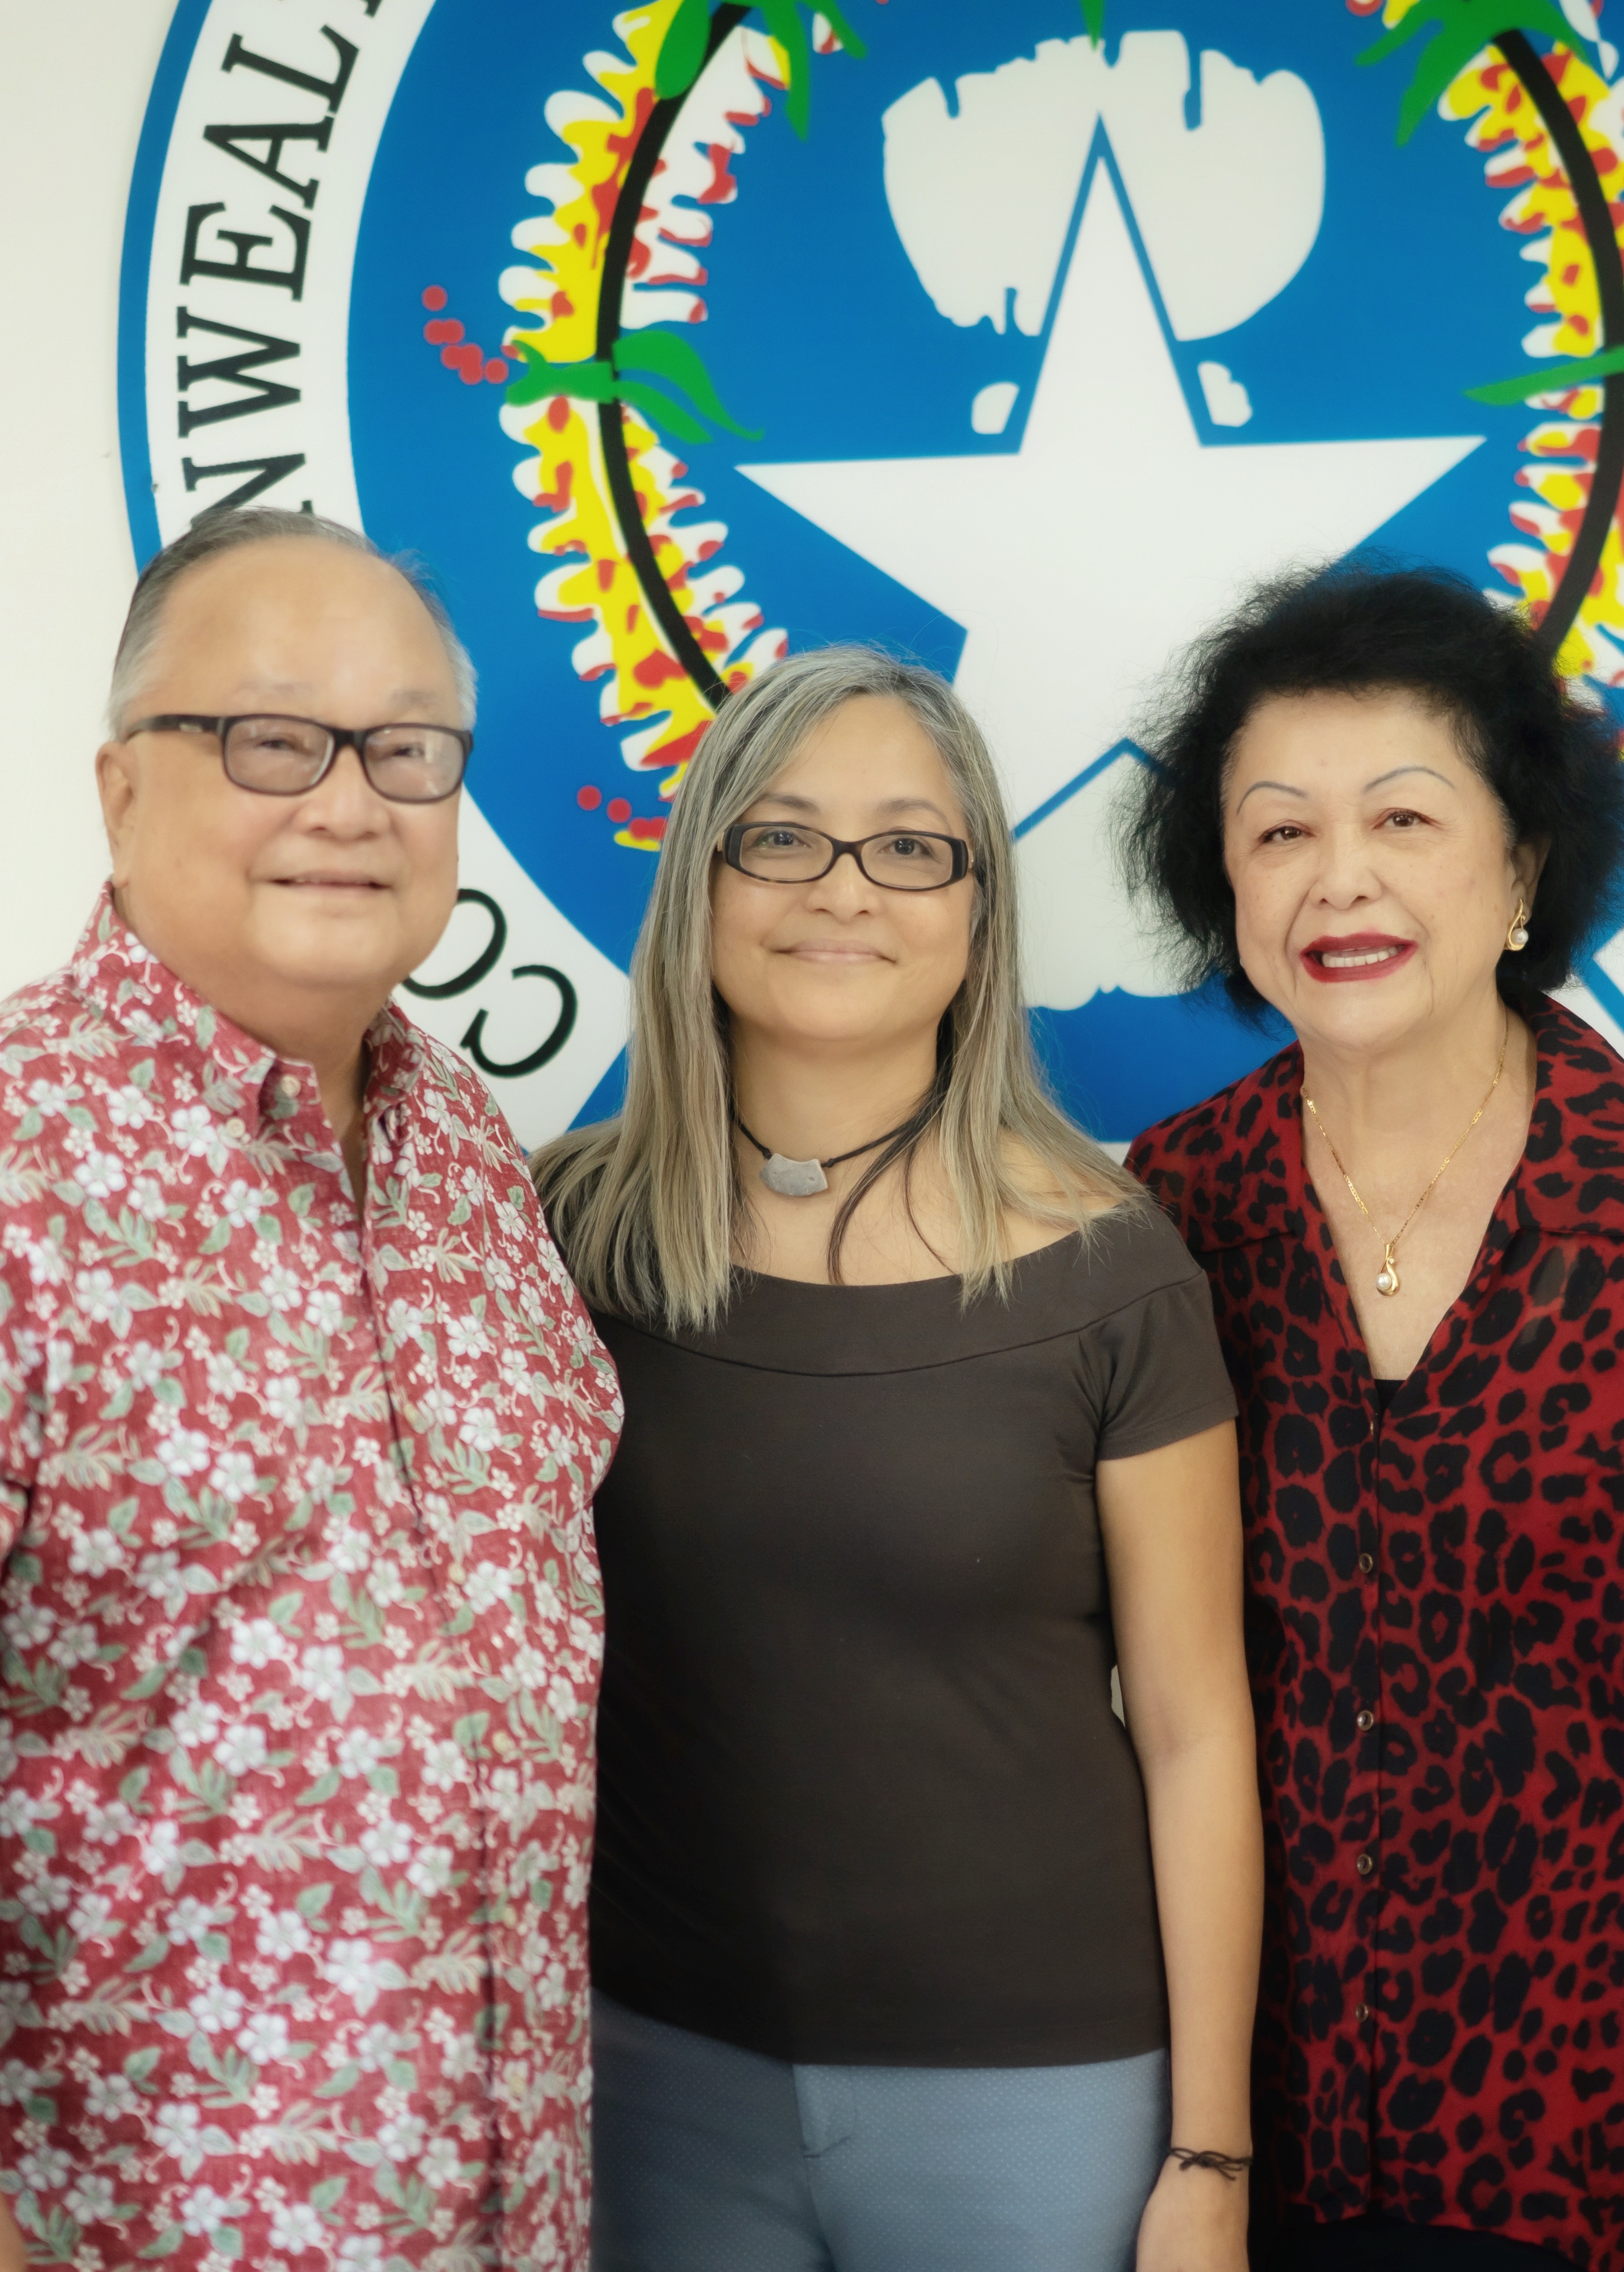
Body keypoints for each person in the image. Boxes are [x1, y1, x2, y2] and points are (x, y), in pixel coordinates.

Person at [0, 506, 623, 2270]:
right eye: (274, 739)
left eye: (407, 751)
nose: (349, 804)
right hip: (80, 2226)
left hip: (477, 2219)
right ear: (122, 792)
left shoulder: (472, 1168)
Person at [1117, 565, 1624, 2272]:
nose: (1338, 878)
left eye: (1404, 818)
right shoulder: (1179, 1209)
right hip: (1305, 2107)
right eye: (1278, 833)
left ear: (1518, 866)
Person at [531, 647, 1263, 2272]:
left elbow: (1201, 1733)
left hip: (1041, 2094)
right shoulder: (552, 1235)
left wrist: (1211, 2155)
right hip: (651, 2070)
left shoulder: (1116, 1274)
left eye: (911, 846)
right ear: (703, 883)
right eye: (781, 838)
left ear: (979, 912)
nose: (842, 889)